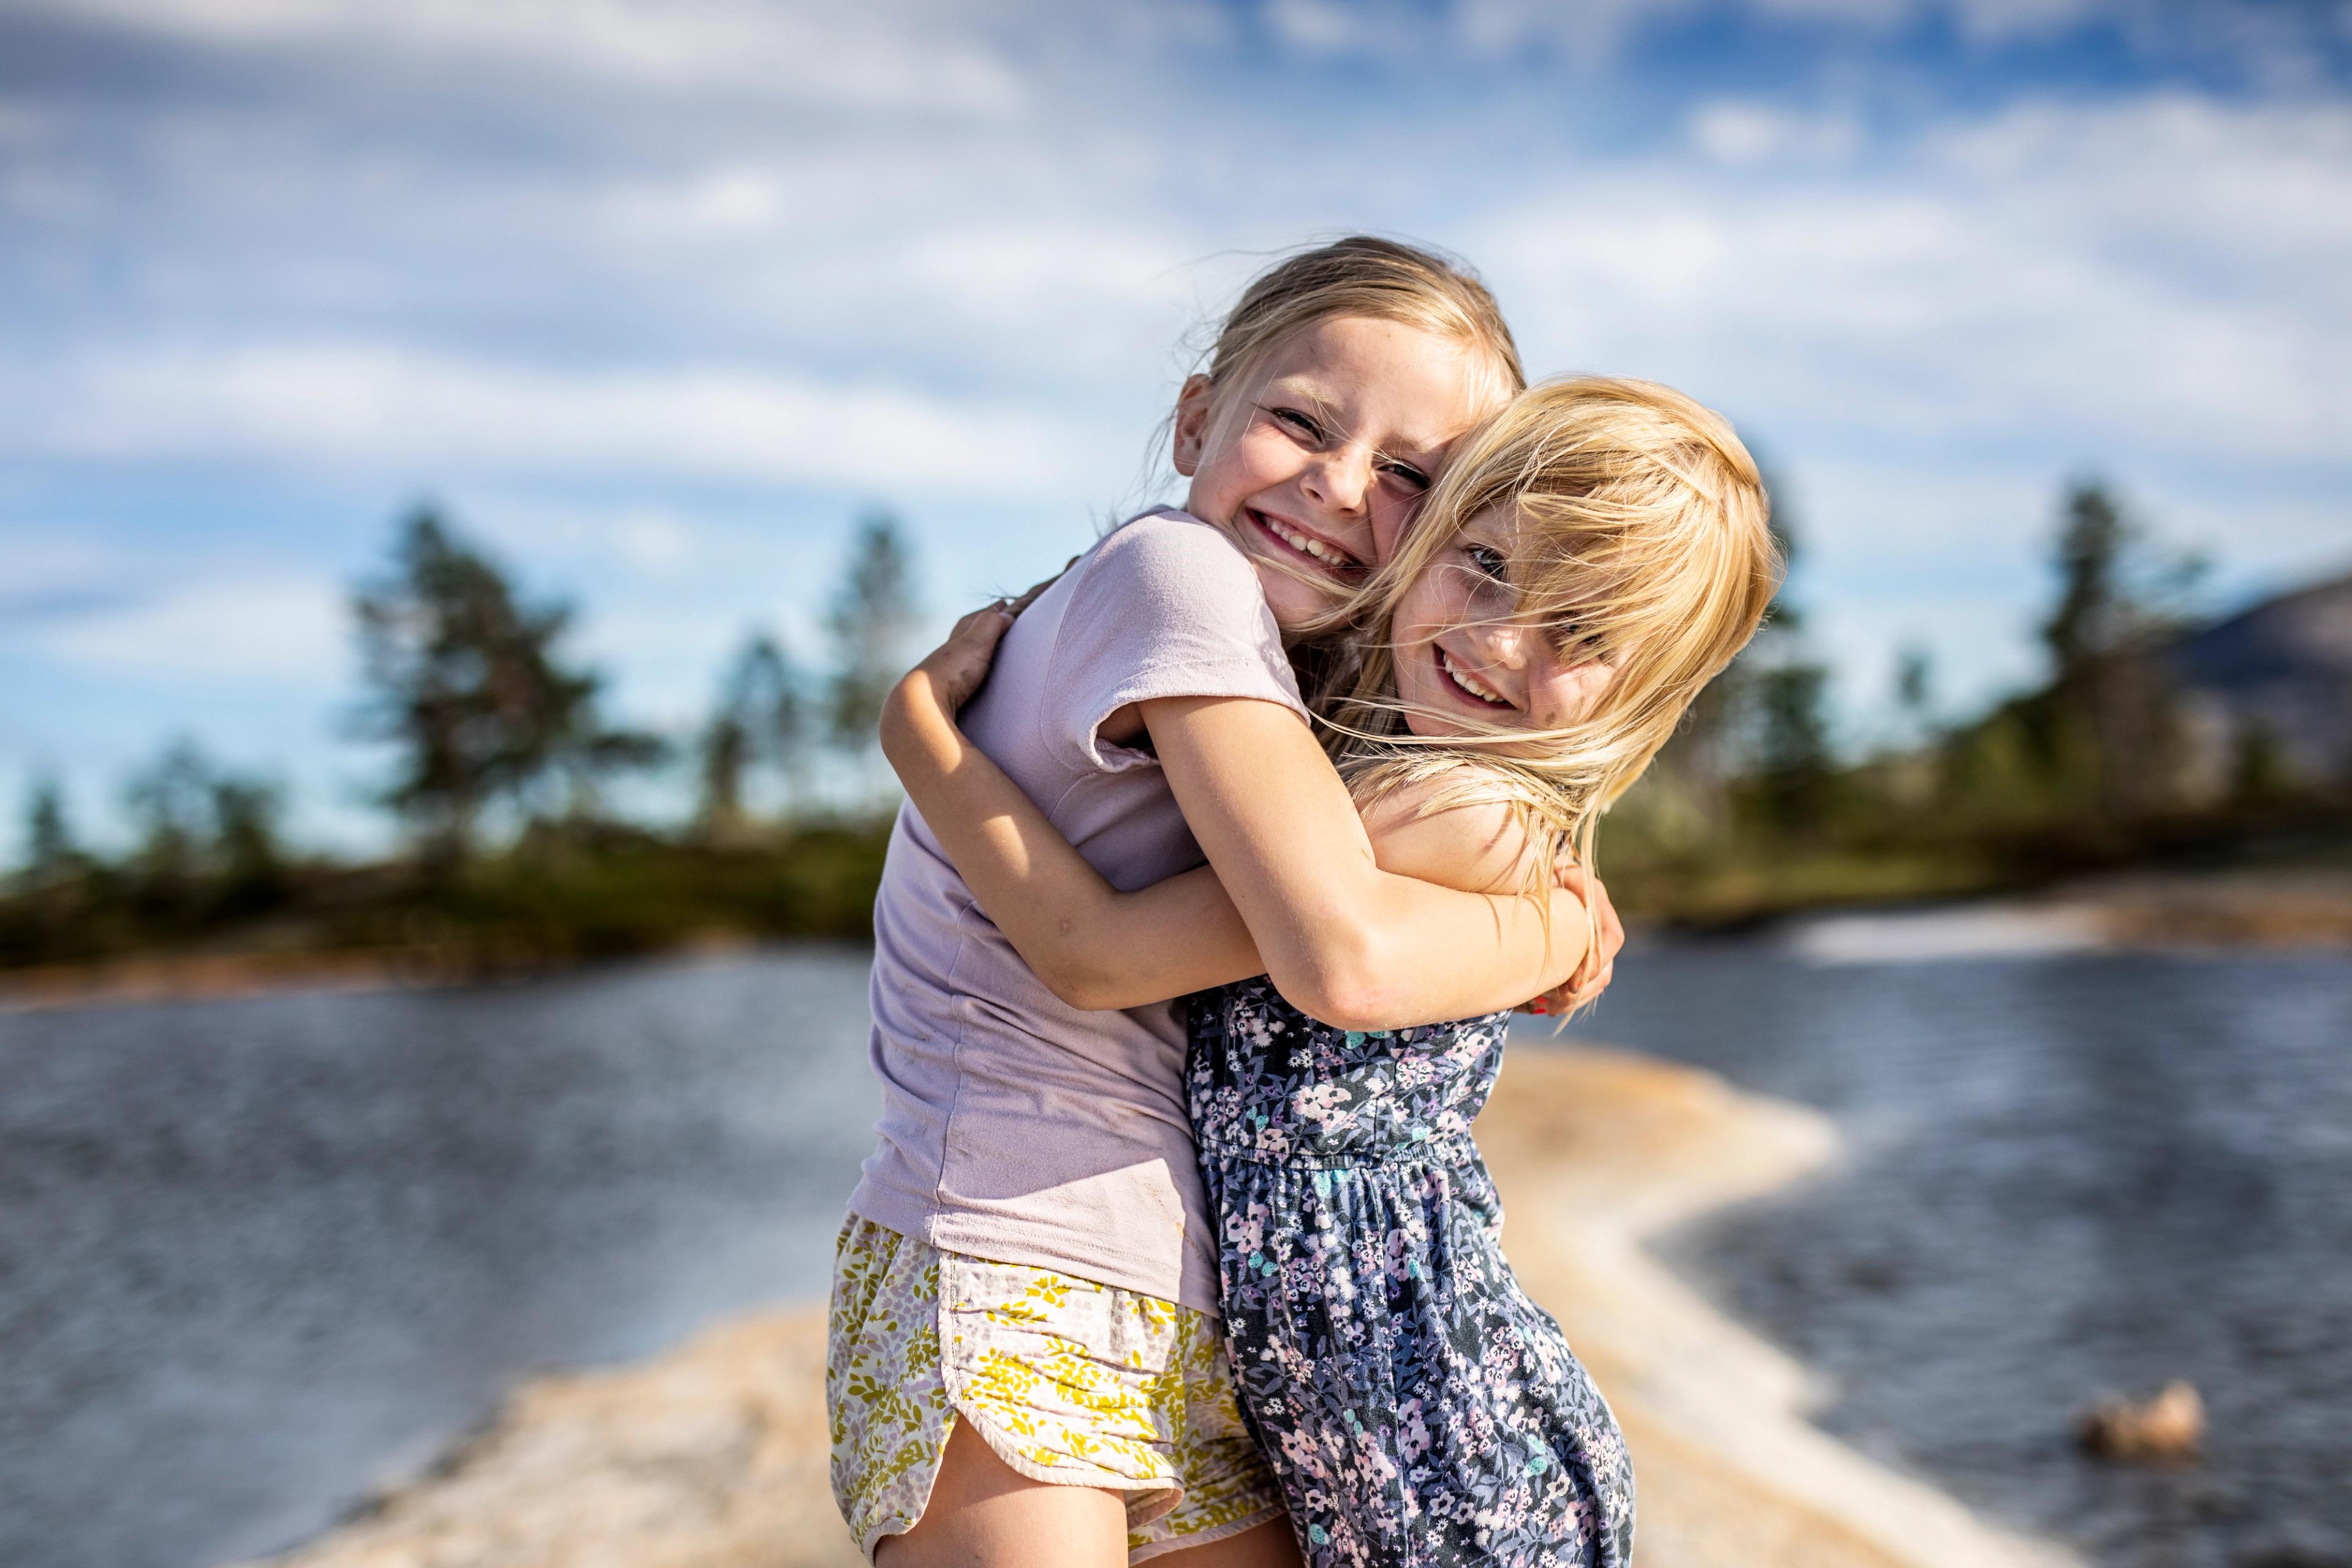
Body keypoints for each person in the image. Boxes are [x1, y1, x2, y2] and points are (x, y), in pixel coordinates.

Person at [885, 377, 1781, 1565]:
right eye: (1487, 564)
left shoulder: (1448, 809)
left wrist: (919, 735)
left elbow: (1096, 949)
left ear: (1647, 696)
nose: (1501, 640)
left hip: (1436, 1426)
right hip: (1345, 1395)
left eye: (1580, 636)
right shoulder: (1391, 764)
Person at [829, 238, 1612, 1568]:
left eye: (1413, 474)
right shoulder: (1178, 578)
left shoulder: (1289, 672)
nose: (1340, 481)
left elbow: (1397, 872)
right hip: (1014, 1243)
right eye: (1300, 419)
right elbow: (1332, 944)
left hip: (1187, 1294)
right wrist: (1550, 927)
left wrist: (1553, 903)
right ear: (1199, 416)